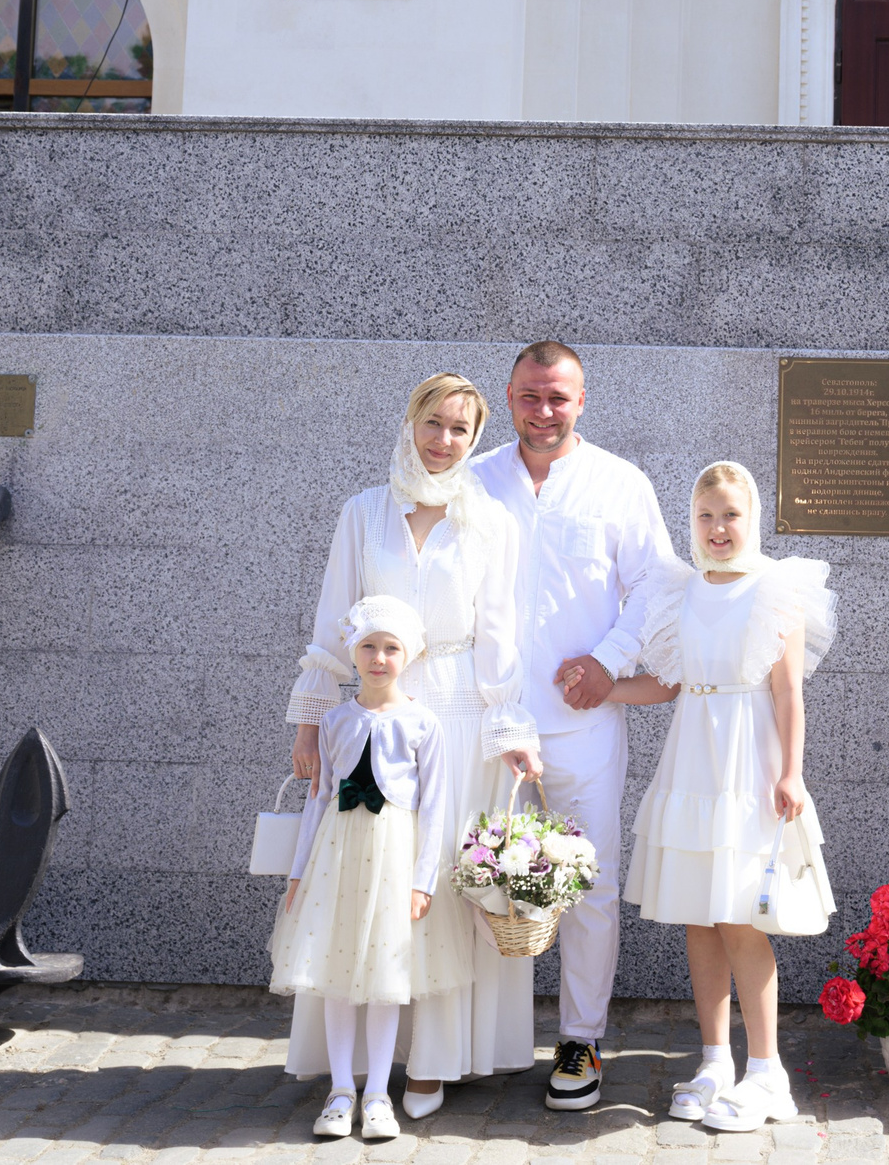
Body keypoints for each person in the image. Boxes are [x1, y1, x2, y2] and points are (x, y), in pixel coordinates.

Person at [285, 374, 543, 1116]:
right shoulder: (363, 512)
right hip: (375, 719)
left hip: (460, 719)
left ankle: (432, 1062)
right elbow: (336, 620)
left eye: (461, 428)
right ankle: (356, 1073)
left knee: (443, 890)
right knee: (366, 883)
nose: (444, 440)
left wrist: (512, 730)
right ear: (410, 422)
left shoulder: (488, 518)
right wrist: (311, 718)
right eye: (433, 423)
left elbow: (500, 635)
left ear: (474, 437)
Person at [470, 340, 682, 1111]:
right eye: (531, 395)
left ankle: (579, 1037)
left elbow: (657, 587)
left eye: (558, 396)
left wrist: (607, 660)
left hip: (583, 722)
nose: (544, 410)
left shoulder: (620, 483)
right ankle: (478, 1038)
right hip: (492, 724)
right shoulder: (477, 478)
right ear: (509, 395)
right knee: (482, 881)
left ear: (582, 400)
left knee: (587, 885)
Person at [606, 460, 835, 1132]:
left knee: (740, 915)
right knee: (698, 916)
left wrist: (790, 772)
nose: (717, 528)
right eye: (705, 516)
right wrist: (605, 688)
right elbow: (667, 682)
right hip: (692, 760)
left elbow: (789, 691)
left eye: (730, 514)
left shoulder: (775, 590)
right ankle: (714, 1059)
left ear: (751, 517)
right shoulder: (681, 590)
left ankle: (768, 1071)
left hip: (750, 761)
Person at [270, 597, 467, 1140]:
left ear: (409, 656)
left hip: (394, 857)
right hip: (337, 859)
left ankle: (379, 1092)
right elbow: (318, 799)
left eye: (391, 648)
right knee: (334, 974)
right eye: (369, 647)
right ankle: (340, 1090)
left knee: (385, 976)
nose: (379, 658)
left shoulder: (422, 723)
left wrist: (423, 879)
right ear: (353, 653)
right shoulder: (335, 720)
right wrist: (297, 873)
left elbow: (436, 806)